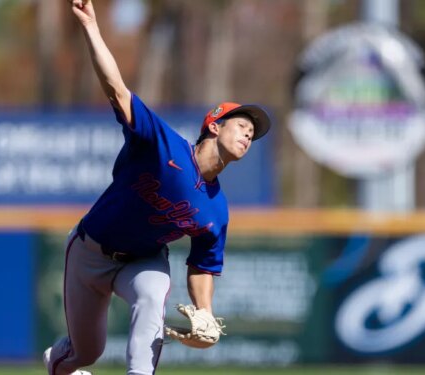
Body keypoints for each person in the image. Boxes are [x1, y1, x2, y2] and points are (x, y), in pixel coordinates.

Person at [43, 1, 272, 374]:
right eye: (242, 125)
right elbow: (117, 91)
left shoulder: (216, 209)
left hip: (143, 260)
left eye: (253, 134)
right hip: (89, 251)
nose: (249, 134)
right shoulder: (163, 145)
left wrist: (206, 314)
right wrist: (91, 28)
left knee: (152, 294)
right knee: (84, 355)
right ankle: (58, 363)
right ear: (214, 125)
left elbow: (203, 264)